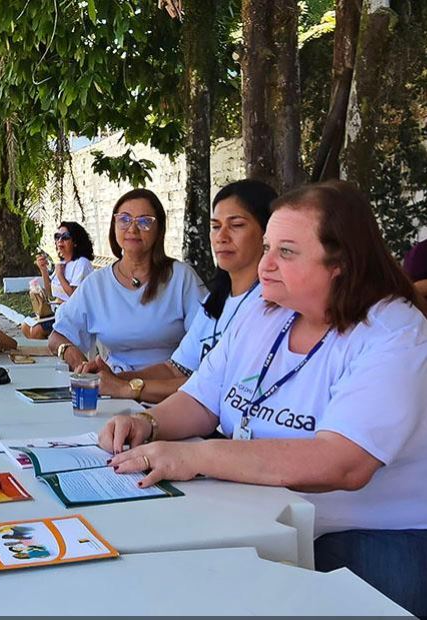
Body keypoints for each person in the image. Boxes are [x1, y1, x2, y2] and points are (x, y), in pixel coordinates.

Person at [99, 180, 427, 617]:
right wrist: (148, 424)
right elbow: (201, 399)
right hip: (253, 511)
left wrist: (197, 458)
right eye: (267, 246)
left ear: (341, 263)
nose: (266, 265)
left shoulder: (394, 334)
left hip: (368, 531)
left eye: (286, 252)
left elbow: (342, 463)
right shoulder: (264, 310)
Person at [87, 180, 276, 402]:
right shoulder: (215, 302)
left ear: (268, 232)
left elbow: (214, 386)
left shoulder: (270, 306)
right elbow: (176, 369)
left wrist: (127, 388)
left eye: (236, 225)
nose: (222, 236)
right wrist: (114, 378)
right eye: (216, 226)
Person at [48, 189, 206, 373]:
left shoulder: (181, 278)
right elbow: (57, 336)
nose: (132, 229)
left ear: (159, 229)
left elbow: (207, 341)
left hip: (171, 389)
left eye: (144, 221)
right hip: (113, 391)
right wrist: (82, 365)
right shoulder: (97, 284)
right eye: (124, 219)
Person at [22, 221, 95, 339]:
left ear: (75, 242)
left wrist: (60, 275)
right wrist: (44, 270)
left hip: (73, 316)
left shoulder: (82, 263)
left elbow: (74, 295)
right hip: (56, 312)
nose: (60, 240)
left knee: (36, 331)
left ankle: (58, 350)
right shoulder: (61, 263)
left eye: (65, 237)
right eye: (57, 237)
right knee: (25, 326)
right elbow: (50, 292)